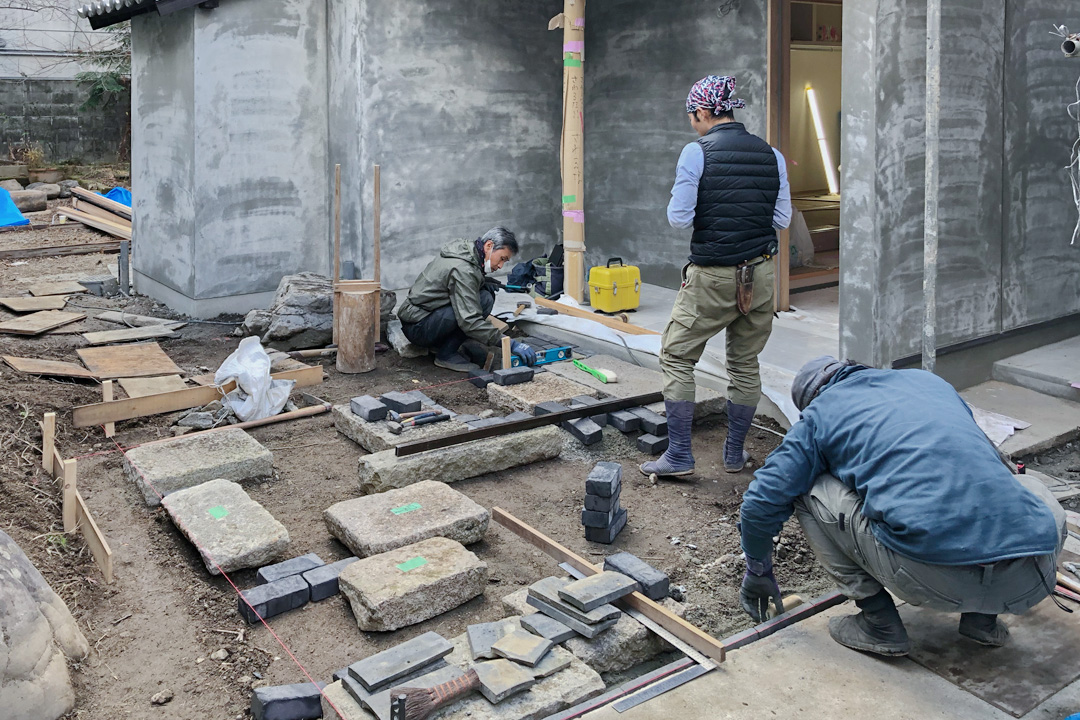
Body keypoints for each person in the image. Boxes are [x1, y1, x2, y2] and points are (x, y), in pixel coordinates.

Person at [738, 356, 1068, 656]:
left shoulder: (820, 415)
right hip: (1031, 577)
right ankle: (982, 620)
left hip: (929, 577)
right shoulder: (928, 383)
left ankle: (879, 623)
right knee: (1022, 482)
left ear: (812, 400)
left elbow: (761, 501)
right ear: (858, 368)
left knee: (805, 488)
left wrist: (758, 570)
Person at [641, 74, 792, 479]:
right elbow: (782, 218)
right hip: (760, 274)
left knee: (676, 355)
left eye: (693, 116)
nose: (692, 122)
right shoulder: (771, 155)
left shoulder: (697, 152)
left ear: (705, 112)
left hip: (713, 275)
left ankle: (678, 456)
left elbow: (679, 218)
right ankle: (733, 454)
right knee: (744, 362)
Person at [397, 227, 536, 371]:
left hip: (420, 318)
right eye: (502, 259)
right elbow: (469, 320)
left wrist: (482, 282)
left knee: (484, 296)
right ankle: (446, 354)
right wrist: (510, 344)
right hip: (417, 327)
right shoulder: (464, 269)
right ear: (489, 246)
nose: (501, 266)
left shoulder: (465, 252)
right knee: (482, 301)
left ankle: (440, 345)